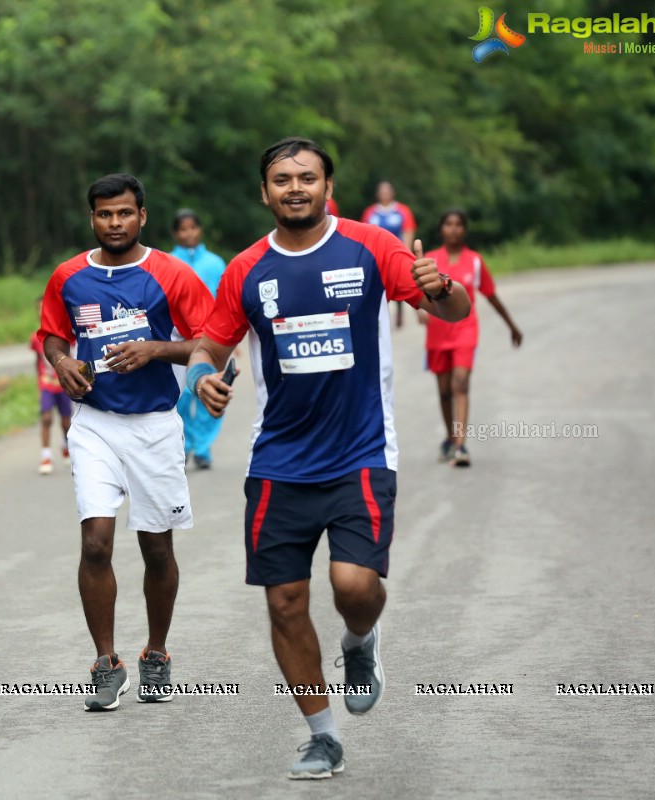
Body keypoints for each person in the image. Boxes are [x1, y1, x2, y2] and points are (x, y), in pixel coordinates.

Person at [187, 137, 469, 779]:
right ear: (265, 192)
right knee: (284, 601)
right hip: (278, 463)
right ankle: (321, 735)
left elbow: (452, 309)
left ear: (326, 187)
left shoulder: (371, 247)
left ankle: (360, 640)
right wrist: (201, 373)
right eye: (281, 179)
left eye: (306, 178)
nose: (294, 188)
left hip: (361, 452)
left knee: (354, 586)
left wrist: (441, 285)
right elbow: (209, 342)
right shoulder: (245, 269)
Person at [38, 174, 215, 711]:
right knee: (96, 542)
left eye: (124, 213)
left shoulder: (170, 274)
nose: (115, 223)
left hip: (155, 425)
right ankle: (105, 661)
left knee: (157, 547)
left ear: (143, 216)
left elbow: (211, 343)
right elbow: (50, 334)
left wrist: (155, 350)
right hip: (94, 422)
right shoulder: (69, 276)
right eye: (104, 214)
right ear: (92, 218)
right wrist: (62, 361)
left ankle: (156, 652)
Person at [421, 209, 523, 466]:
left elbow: (490, 294)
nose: (453, 229)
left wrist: (511, 325)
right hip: (437, 332)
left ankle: (461, 445)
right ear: (441, 229)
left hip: (466, 331)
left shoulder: (474, 261)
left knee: (461, 383)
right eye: (448, 224)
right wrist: (419, 314)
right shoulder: (431, 259)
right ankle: (450, 436)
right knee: (444, 391)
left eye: (458, 225)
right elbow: (417, 294)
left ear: (464, 230)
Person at [170, 209, 227, 469]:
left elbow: (226, 302)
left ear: (200, 229)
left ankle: (203, 448)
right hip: (178, 342)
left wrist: (228, 341)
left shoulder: (215, 263)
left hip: (213, 339)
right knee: (180, 397)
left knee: (211, 391)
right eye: (182, 229)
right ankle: (184, 444)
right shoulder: (168, 263)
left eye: (192, 228)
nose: (188, 233)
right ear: (175, 233)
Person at [362, 181, 416, 327]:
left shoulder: (402, 211)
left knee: (398, 284)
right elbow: (363, 236)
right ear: (378, 194)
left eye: (387, 191)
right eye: (382, 191)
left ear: (392, 193)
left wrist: (406, 254)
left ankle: (399, 311)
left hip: (395, 256)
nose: (385, 194)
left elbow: (408, 232)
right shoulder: (370, 213)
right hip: (375, 258)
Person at [30, 299, 72, 474]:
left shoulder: (65, 335)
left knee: (66, 421)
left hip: (63, 385)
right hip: (46, 384)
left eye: (44, 308)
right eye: (39, 309)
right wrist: (38, 381)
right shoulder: (35, 338)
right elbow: (37, 361)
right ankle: (46, 455)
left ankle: (65, 444)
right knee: (46, 418)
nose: (42, 312)